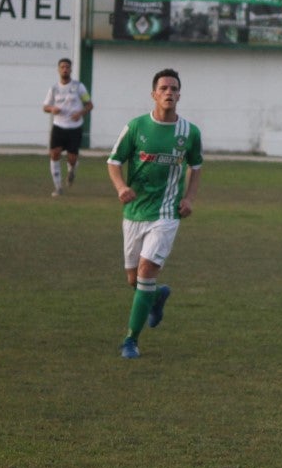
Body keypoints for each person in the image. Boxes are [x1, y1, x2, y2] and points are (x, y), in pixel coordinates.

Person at [107, 68, 203, 359]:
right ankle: (157, 296)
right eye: (163, 88)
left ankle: (130, 341)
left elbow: (195, 167)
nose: (169, 93)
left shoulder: (189, 132)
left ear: (179, 94)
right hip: (135, 212)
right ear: (154, 94)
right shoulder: (136, 127)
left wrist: (188, 198)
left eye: (174, 89)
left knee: (146, 270)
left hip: (166, 213)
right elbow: (113, 162)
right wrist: (121, 186)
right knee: (134, 280)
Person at [42, 57, 93, 196]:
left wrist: (80, 113)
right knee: (54, 154)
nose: (65, 69)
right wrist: (52, 109)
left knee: (72, 158)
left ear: (71, 69)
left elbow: (89, 105)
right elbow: (45, 107)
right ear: (58, 70)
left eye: (67, 67)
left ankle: (72, 171)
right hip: (59, 126)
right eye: (62, 67)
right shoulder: (54, 88)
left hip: (74, 127)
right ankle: (58, 187)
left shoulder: (78, 86)